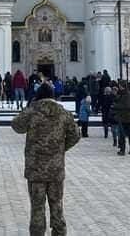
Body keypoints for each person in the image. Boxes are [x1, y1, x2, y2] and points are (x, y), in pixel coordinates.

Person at [11, 82, 80, 236]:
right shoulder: (63, 113)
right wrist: (60, 148)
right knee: (57, 204)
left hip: (35, 169)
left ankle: (37, 233)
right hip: (55, 169)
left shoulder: (32, 112)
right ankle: (59, 231)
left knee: (37, 206)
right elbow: (76, 135)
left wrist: (29, 107)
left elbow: (16, 125)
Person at [113, 80, 130, 155]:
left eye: (120, 86)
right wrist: (115, 96)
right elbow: (117, 101)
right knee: (121, 134)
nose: (119, 87)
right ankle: (122, 149)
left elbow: (126, 105)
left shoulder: (128, 94)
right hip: (121, 117)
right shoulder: (121, 93)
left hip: (127, 117)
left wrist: (115, 106)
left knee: (129, 134)